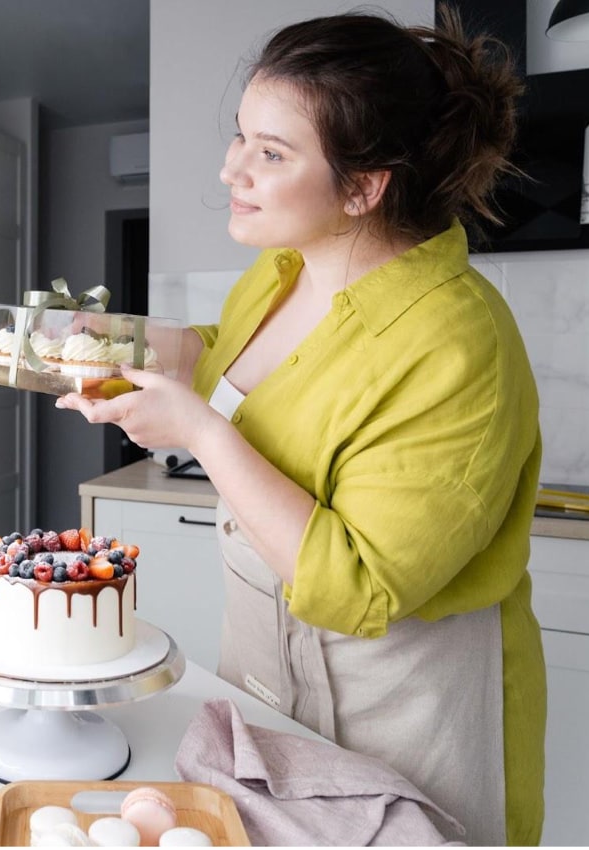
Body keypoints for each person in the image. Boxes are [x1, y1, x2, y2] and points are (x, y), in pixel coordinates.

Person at [57, 7, 544, 846]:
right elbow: (233, 357)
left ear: (364, 187)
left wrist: (202, 434)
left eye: (271, 153)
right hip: (262, 672)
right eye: (241, 138)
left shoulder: (457, 343)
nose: (231, 169)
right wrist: (132, 342)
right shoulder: (283, 269)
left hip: (399, 713)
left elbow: (360, 586)